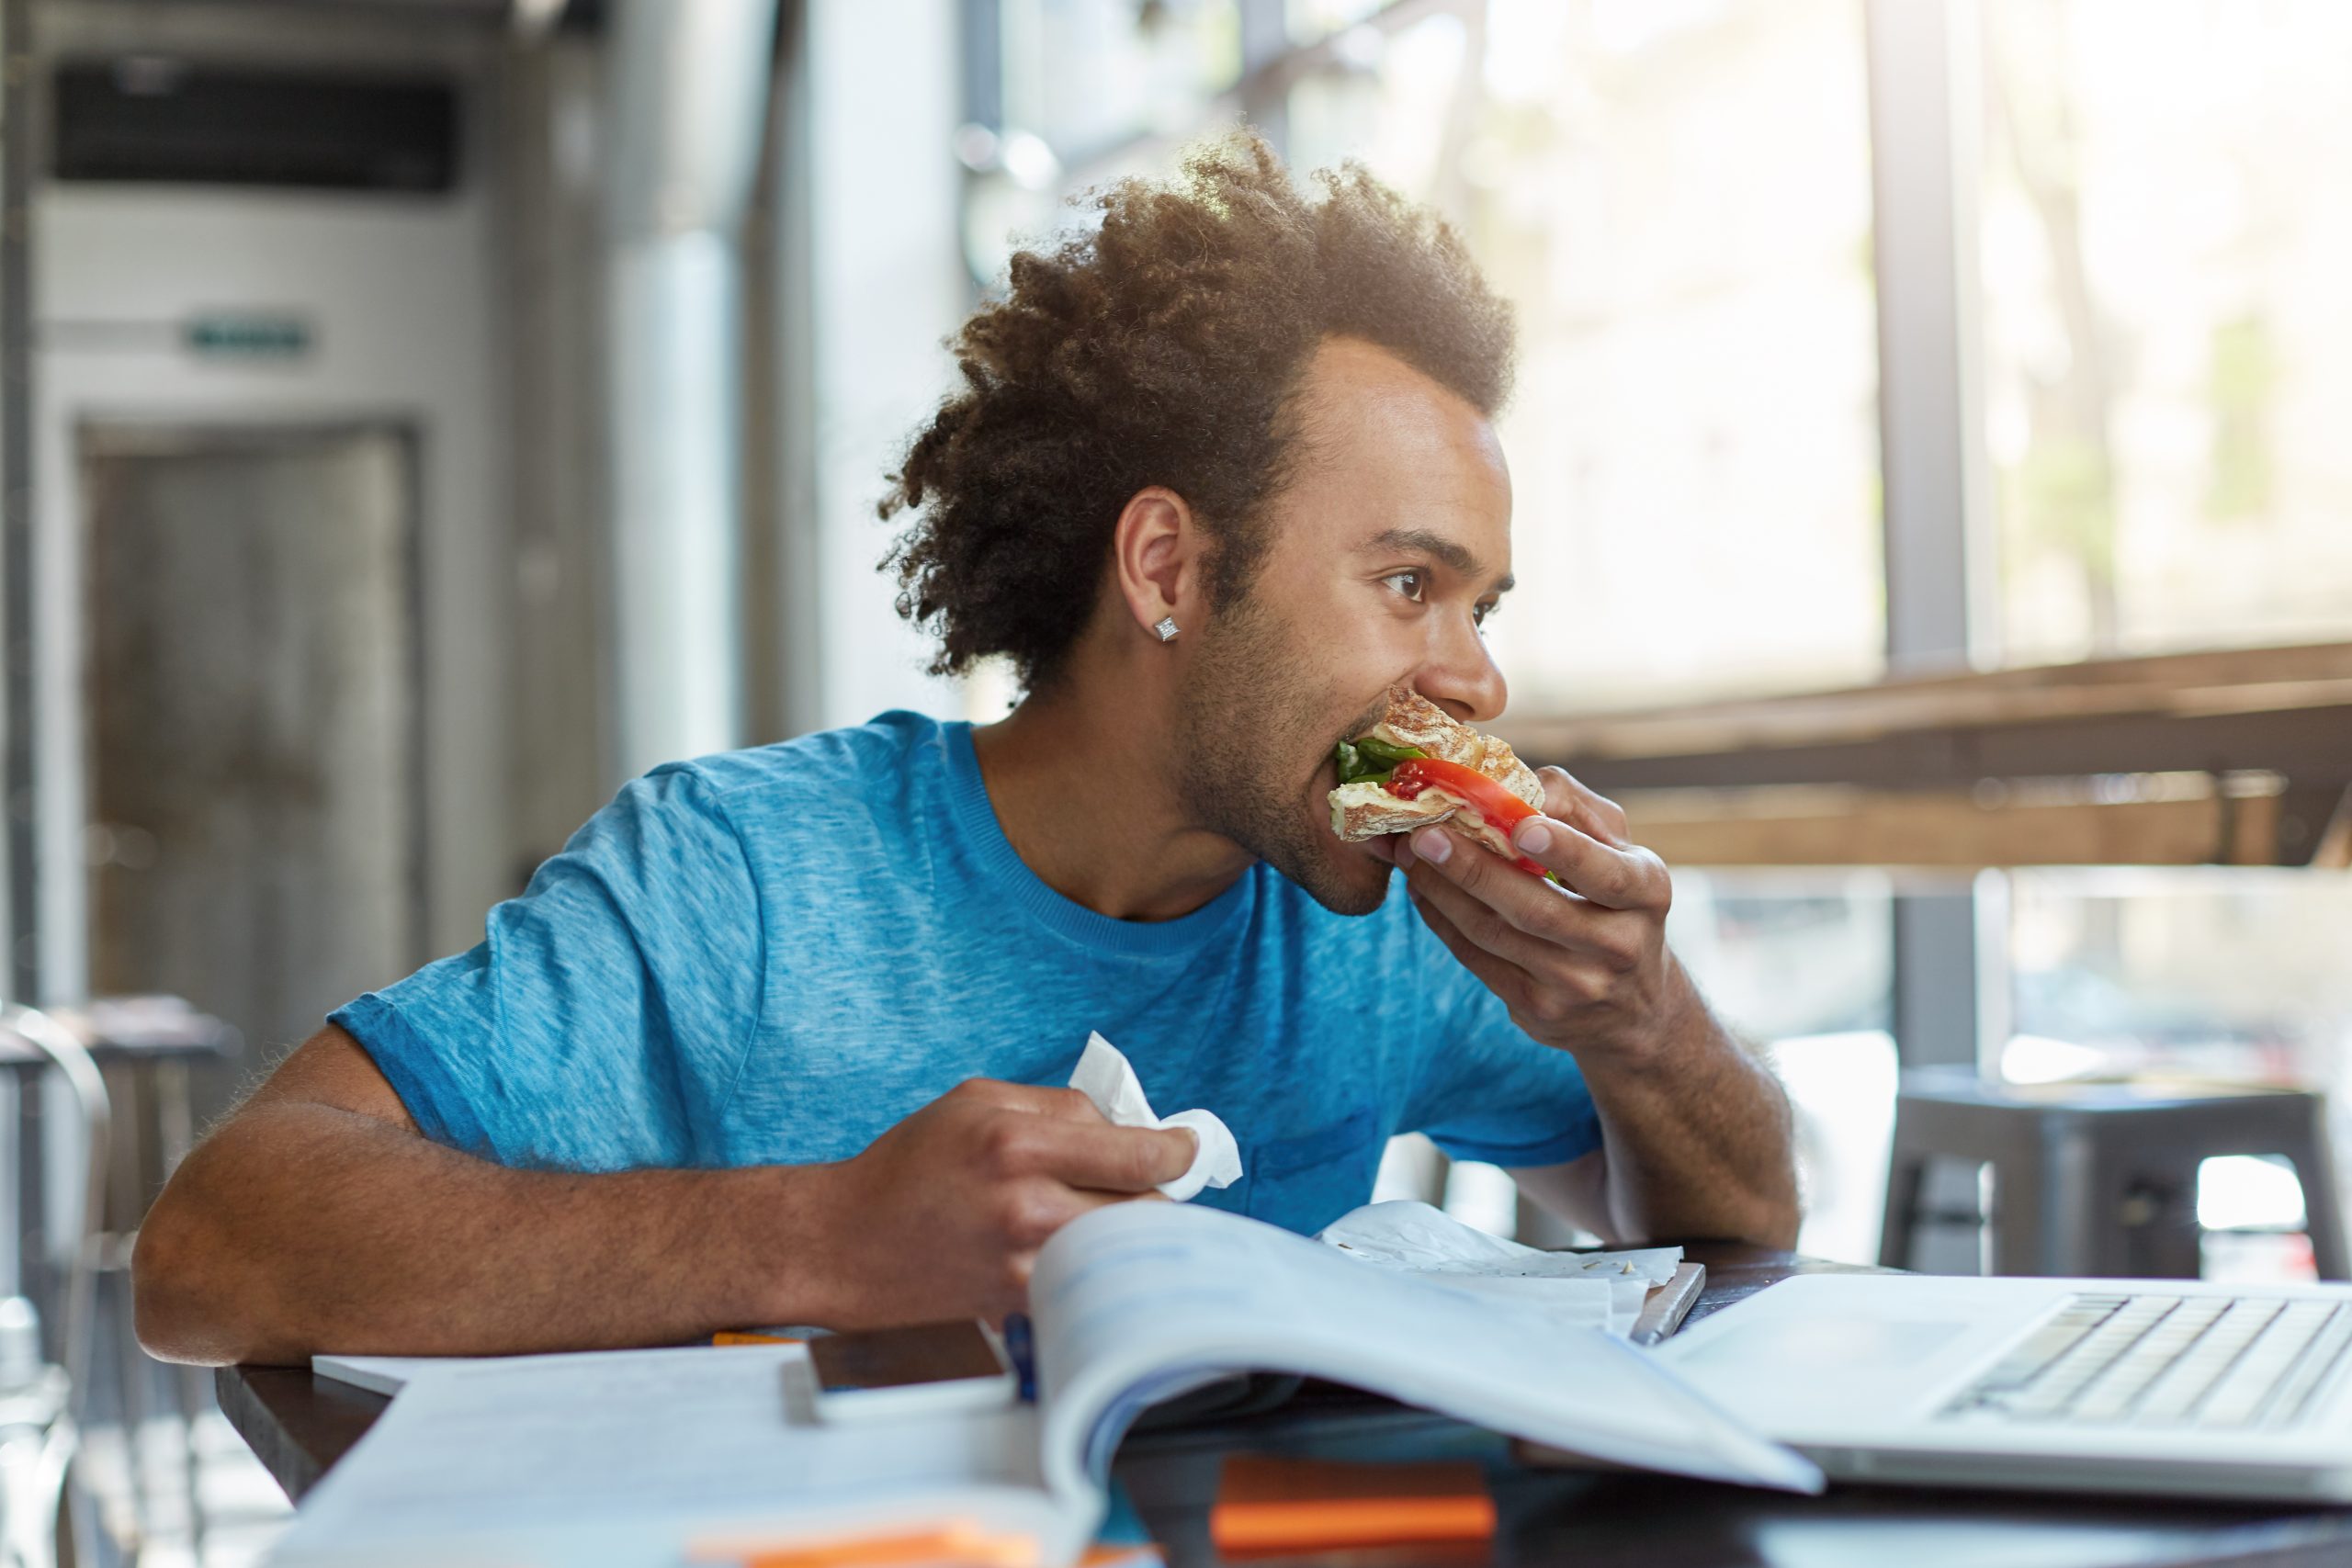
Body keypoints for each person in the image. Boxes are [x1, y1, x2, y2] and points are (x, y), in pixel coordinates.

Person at [132, 133, 1797, 1366]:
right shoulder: (743, 877)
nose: (1475, 681)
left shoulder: (1375, 917)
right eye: (1409, 585)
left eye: (1483, 607)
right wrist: (831, 1236)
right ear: (1167, 569)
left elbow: (1737, 1230)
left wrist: (1645, 1025)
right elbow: (214, 1242)